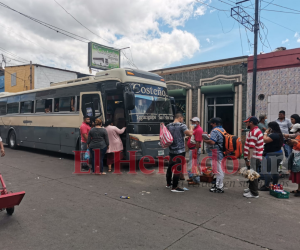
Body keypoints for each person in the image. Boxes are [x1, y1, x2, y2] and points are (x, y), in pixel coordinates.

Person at [166, 112, 193, 193]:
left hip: (171, 150)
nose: (182, 120)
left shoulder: (168, 126)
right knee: (178, 168)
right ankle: (174, 187)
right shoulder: (182, 125)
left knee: (170, 167)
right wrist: (191, 128)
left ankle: (168, 184)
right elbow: (190, 133)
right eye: (182, 119)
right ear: (180, 118)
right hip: (180, 150)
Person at [203, 117, 225, 193]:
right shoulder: (222, 130)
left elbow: (212, 142)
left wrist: (205, 140)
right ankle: (218, 185)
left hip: (215, 152)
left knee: (218, 171)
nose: (211, 124)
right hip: (220, 152)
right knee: (219, 170)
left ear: (215, 123)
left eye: (212, 123)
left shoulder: (215, 130)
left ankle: (219, 187)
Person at [259, 122, 284, 191]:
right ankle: (274, 185)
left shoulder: (274, 135)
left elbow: (265, 140)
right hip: (279, 153)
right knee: (275, 170)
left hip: (271, 154)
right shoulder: (279, 134)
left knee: (267, 170)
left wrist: (265, 133)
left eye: (269, 127)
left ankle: (266, 186)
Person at [243, 116, 263, 198]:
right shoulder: (254, 131)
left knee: (253, 175)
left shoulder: (254, 132)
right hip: (254, 156)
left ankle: (254, 193)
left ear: (251, 123)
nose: (246, 123)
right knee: (251, 174)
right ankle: (251, 189)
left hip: (253, 157)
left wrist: (248, 158)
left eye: (247, 122)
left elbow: (251, 147)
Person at [187, 117, 203, 185]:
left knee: (194, 165)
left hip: (194, 149)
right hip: (192, 149)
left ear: (197, 122)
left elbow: (198, 142)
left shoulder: (199, 130)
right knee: (192, 164)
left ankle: (196, 180)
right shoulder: (195, 129)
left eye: (194, 122)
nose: (192, 123)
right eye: (192, 122)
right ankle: (192, 177)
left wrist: (195, 151)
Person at [287, 124, 300, 196]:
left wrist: (296, 142)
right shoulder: (298, 136)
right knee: (297, 173)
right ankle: (298, 189)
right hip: (296, 156)